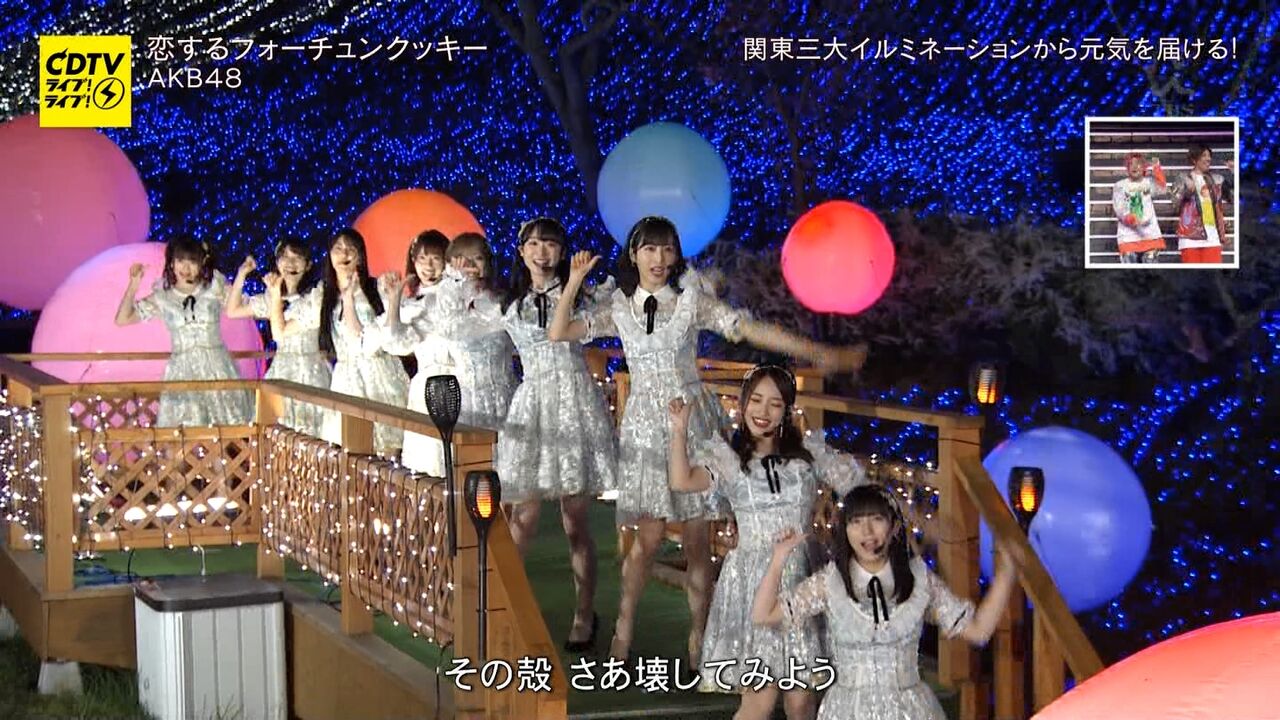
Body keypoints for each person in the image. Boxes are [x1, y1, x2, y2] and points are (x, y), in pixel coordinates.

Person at [668, 364, 867, 719]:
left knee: (801, 702)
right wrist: (679, 431)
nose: (763, 411)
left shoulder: (808, 454)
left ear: (787, 409)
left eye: (775, 404)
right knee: (758, 702)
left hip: (802, 578)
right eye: (756, 400)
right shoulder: (727, 459)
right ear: (743, 404)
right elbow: (682, 481)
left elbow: (859, 487)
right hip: (752, 583)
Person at [751, 485, 1024, 720]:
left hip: (910, 709)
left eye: (877, 519)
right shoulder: (830, 582)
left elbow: (978, 631)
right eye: (856, 522)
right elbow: (763, 615)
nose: (867, 532)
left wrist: (1007, 573)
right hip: (848, 710)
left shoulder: (919, 580)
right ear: (846, 529)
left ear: (893, 527)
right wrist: (779, 558)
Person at [114, 236, 253, 427]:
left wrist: (242, 275)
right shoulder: (163, 296)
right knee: (184, 431)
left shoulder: (214, 287)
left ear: (202, 262)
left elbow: (243, 306)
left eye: (192, 261)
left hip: (218, 368)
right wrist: (134, 284)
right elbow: (123, 319)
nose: (186, 268)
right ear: (172, 263)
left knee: (229, 428)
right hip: (182, 371)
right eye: (180, 260)